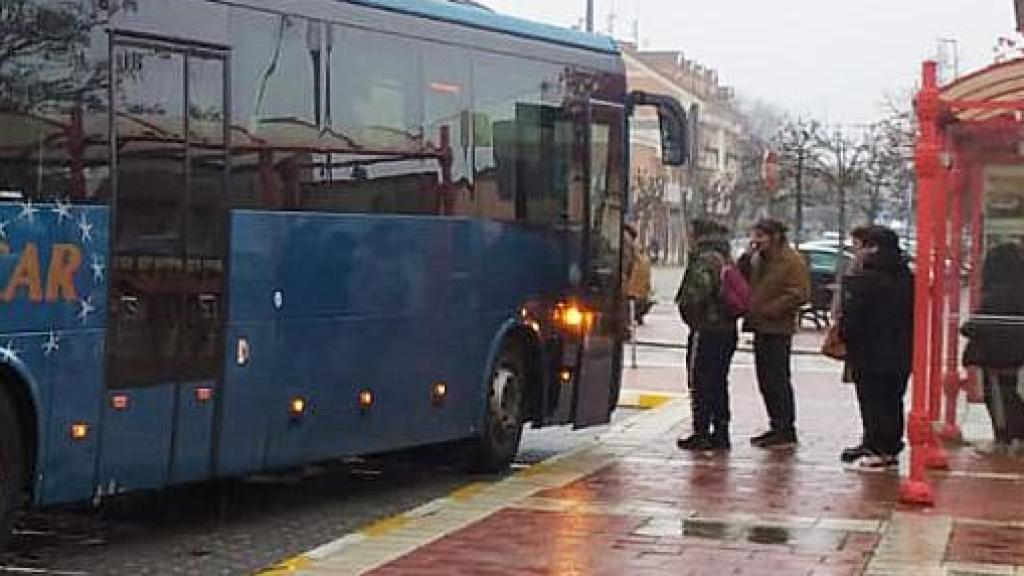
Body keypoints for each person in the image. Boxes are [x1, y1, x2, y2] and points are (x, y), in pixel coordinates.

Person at [838, 225, 914, 468]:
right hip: (900, 349)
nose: (855, 252)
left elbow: (852, 317)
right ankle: (884, 444)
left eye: (858, 246)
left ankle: (878, 446)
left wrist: (845, 336)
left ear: (871, 248)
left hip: (868, 349)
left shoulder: (865, 279)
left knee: (872, 400)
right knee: (892, 399)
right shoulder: (906, 276)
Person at [743, 219, 810, 449]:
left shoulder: (791, 261)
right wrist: (746, 257)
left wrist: (771, 309)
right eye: (754, 235)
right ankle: (775, 425)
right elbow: (742, 277)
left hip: (778, 327)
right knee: (765, 380)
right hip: (760, 326)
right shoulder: (757, 259)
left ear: (775, 237)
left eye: (761, 236)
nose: (756, 241)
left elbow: (799, 293)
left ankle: (785, 428)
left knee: (777, 379)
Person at [675, 219, 739, 451]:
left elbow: (697, 295)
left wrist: (691, 315)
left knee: (701, 381)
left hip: (707, 328)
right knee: (719, 381)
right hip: (726, 329)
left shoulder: (705, 259)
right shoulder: (725, 256)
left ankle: (701, 431)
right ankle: (721, 431)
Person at [962, 242, 1024, 454]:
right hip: (1018, 355)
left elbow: (977, 324)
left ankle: (1004, 439)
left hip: (997, 356)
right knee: (1014, 396)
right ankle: (1017, 438)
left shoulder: (994, 293)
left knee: (999, 399)